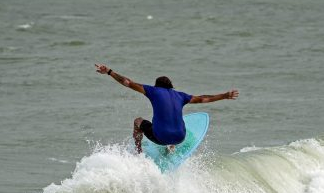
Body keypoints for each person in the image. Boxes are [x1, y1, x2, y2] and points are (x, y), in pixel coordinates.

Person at [95, 64, 239, 153]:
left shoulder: (153, 91)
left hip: (160, 137)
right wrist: (224, 95)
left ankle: (138, 151)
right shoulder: (180, 96)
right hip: (180, 137)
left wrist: (109, 71)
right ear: (171, 87)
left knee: (138, 121)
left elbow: (127, 82)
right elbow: (203, 98)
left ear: (157, 86)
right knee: (176, 117)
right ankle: (172, 146)